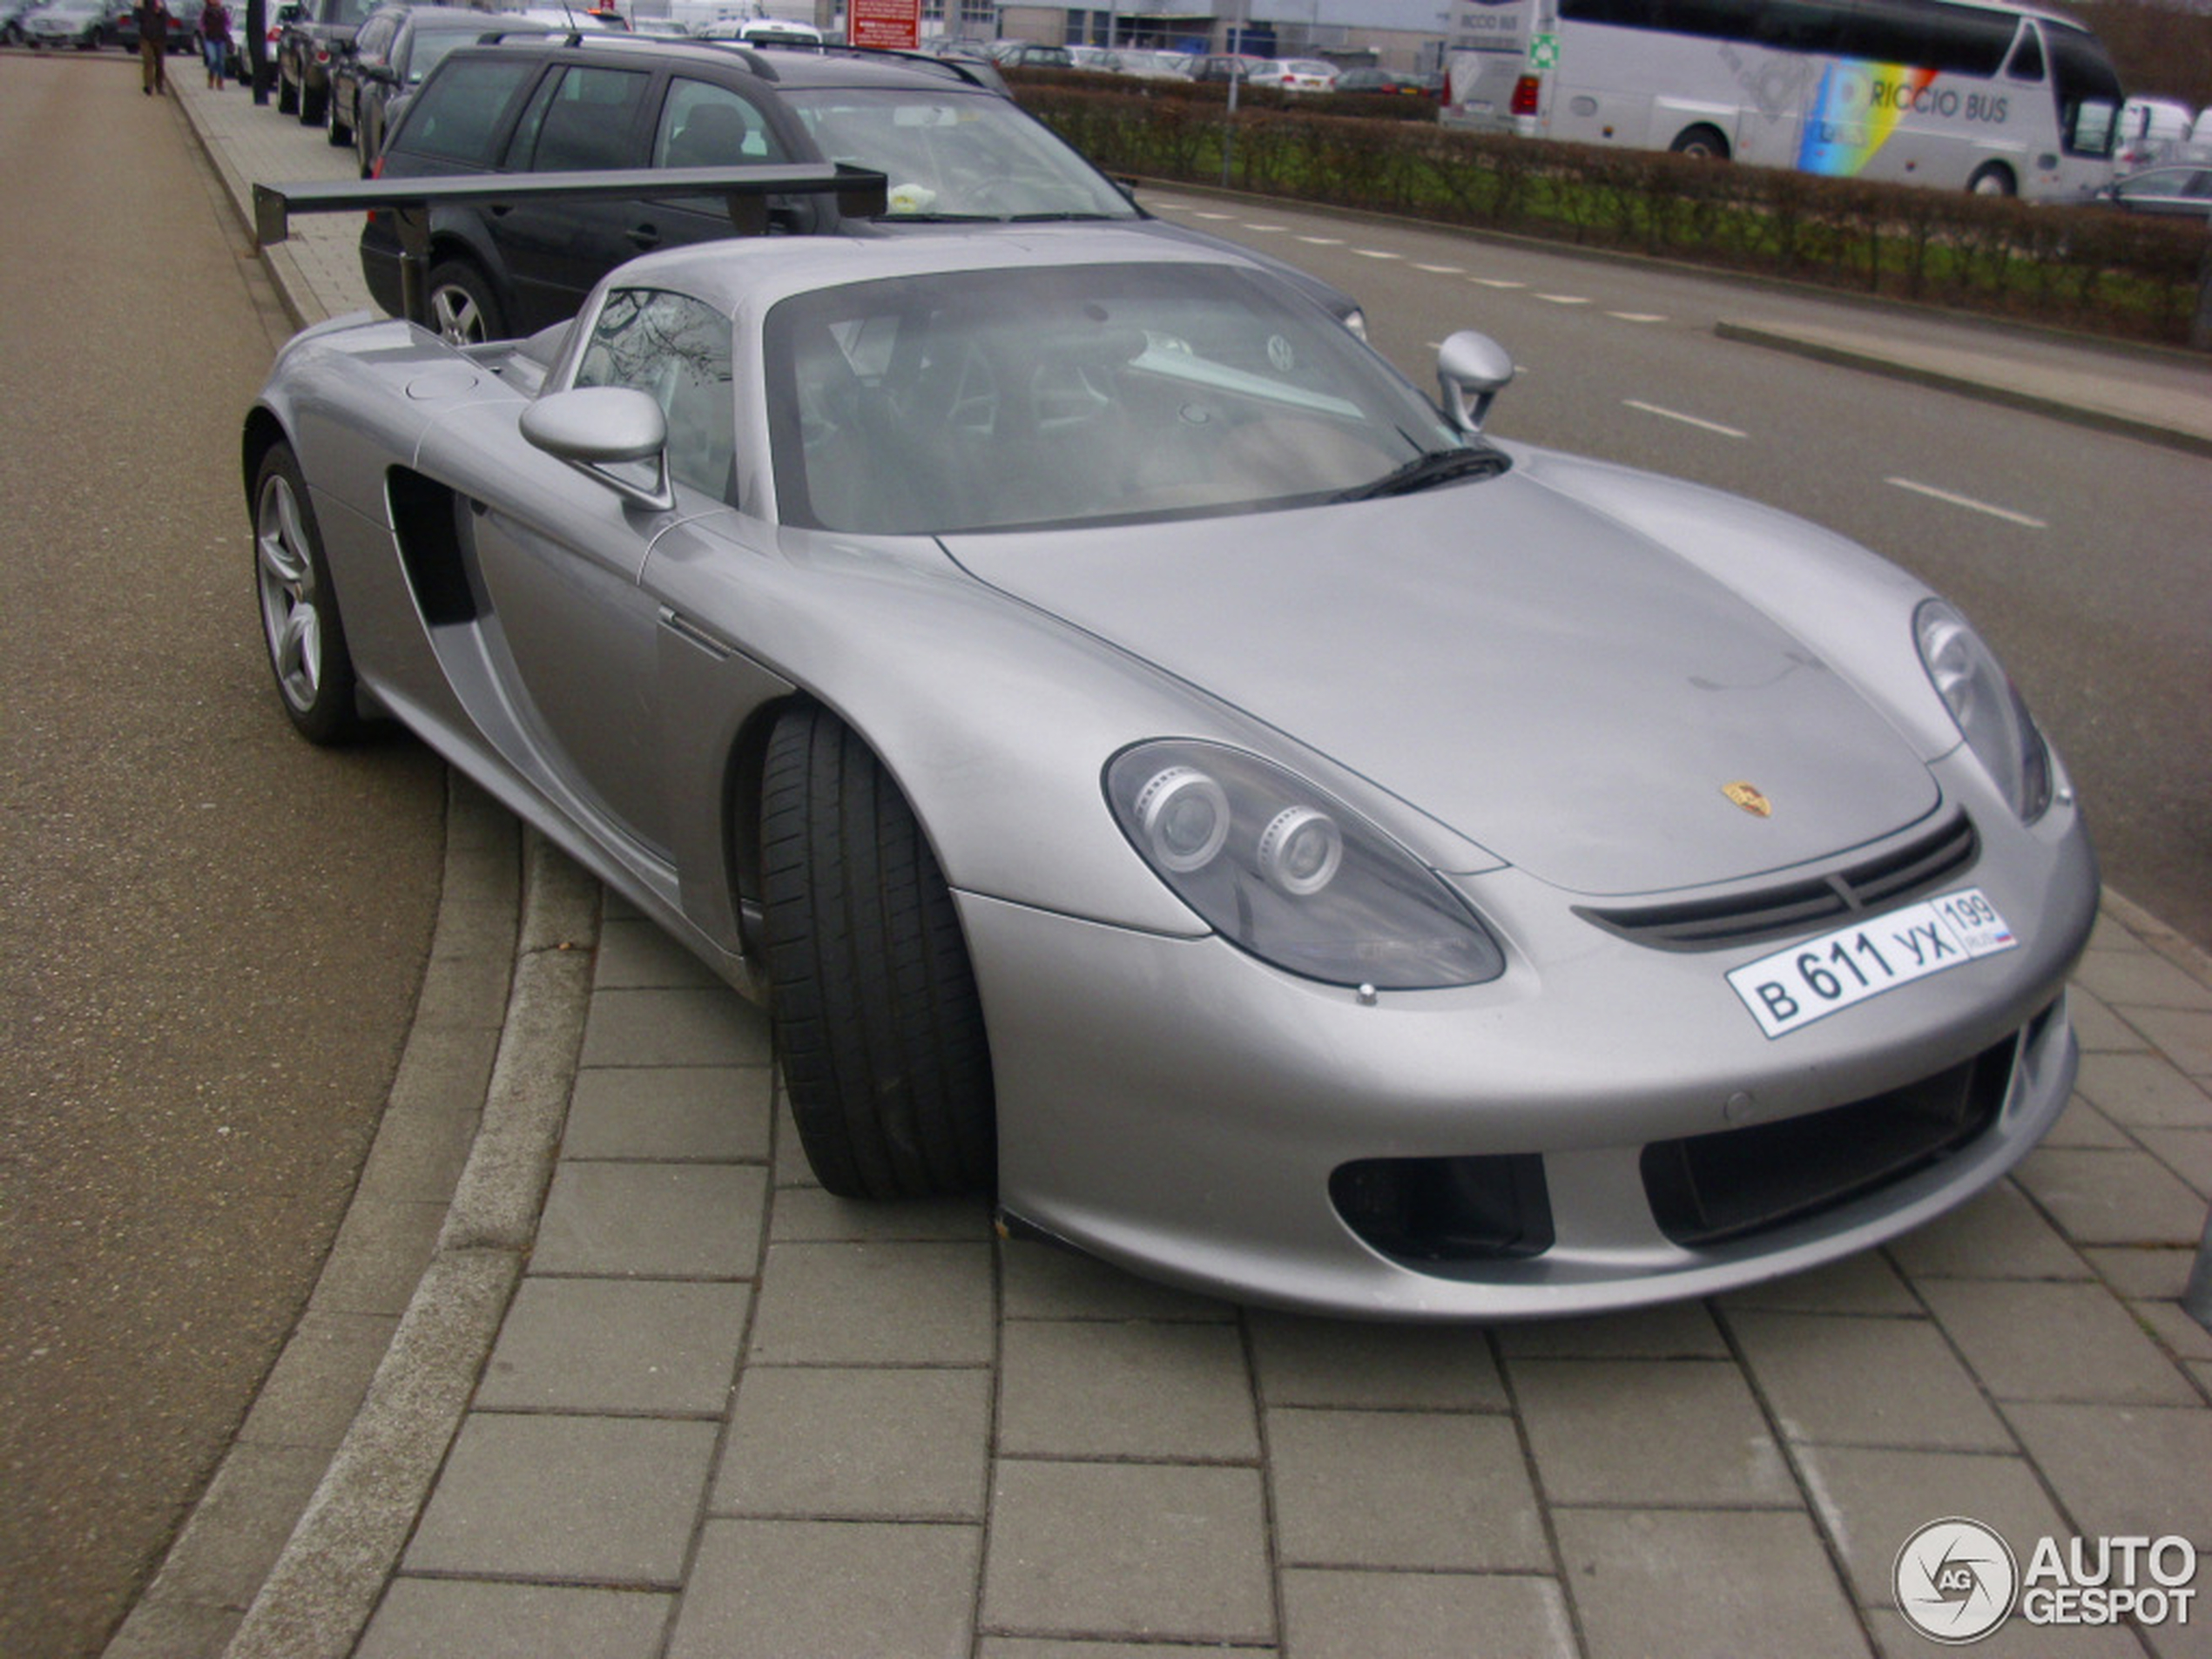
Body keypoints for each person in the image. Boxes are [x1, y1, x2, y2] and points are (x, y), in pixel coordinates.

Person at [134, 0, 169, 95]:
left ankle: (159, 86)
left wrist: (161, 10)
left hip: (160, 37)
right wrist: (137, 8)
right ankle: (148, 86)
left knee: (159, 63)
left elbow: (167, 18)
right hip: (145, 37)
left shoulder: (160, 3)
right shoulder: (142, 3)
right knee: (147, 61)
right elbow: (135, 19)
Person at [199, 0, 229, 89]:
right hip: (210, 39)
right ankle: (211, 77)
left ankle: (220, 81)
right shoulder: (206, 11)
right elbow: (201, 23)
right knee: (213, 59)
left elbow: (228, 22)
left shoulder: (223, 11)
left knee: (221, 62)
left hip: (221, 39)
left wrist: (226, 31)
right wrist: (204, 31)